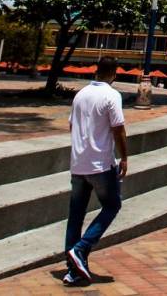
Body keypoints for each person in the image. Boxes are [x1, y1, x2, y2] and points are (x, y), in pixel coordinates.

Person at [64, 56, 128, 285]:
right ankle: (81, 249)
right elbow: (118, 129)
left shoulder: (80, 95)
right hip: (100, 164)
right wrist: (124, 158)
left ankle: (73, 269)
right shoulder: (112, 95)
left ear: (96, 71)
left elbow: (72, 125)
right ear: (114, 73)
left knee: (76, 215)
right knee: (112, 205)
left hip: (78, 163)